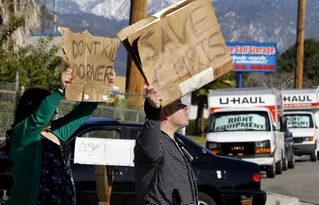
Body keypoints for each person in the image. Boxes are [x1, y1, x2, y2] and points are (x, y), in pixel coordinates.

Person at [7, 67, 116, 205]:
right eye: (50, 106)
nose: (54, 112)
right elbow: (39, 118)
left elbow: (81, 114)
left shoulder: (54, 131)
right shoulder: (23, 133)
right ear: (33, 108)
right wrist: (60, 90)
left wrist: (102, 87)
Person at [134, 86, 198, 205]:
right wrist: (153, 112)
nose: (185, 107)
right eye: (179, 104)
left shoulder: (174, 142)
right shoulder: (153, 141)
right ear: (166, 112)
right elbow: (151, 151)